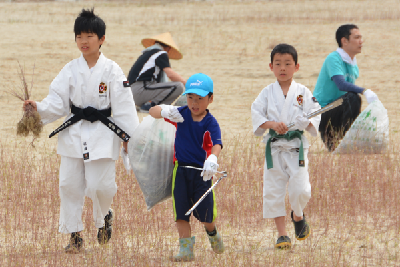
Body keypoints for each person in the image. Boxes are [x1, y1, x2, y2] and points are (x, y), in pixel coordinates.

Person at [23, 8, 139, 253]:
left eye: (89, 36)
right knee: (68, 184)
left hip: (103, 133)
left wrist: (128, 137)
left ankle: (104, 217)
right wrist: (38, 108)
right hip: (74, 132)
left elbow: (124, 107)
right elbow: (57, 101)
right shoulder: (70, 69)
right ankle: (74, 236)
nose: (83, 42)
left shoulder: (112, 70)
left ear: (101, 39)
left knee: (100, 186)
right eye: (79, 37)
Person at [251, 44, 321, 249]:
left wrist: (305, 123)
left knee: (301, 189)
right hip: (274, 148)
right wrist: (272, 124)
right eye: (278, 64)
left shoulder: (303, 92)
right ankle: (282, 235)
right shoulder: (266, 93)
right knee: (273, 190)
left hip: (296, 147)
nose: (283, 68)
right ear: (271, 66)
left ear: (296, 67)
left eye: (287, 64)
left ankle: (297, 215)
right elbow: (257, 115)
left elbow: (315, 113)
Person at [149, 73, 225, 262]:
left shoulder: (211, 122)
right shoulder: (180, 113)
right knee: (181, 213)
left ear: (210, 99)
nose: (194, 103)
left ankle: (212, 232)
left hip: (203, 173)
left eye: (200, 98)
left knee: (206, 215)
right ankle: (186, 250)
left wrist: (213, 158)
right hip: (181, 171)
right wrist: (164, 111)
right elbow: (152, 112)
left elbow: (217, 143)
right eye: (190, 97)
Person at [313, 24, 379, 151]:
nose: (361, 41)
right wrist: (364, 91)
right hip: (321, 113)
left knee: (340, 153)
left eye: (361, 37)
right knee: (354, 98)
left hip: (337, 110)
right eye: (357, 37)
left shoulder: (352, 63)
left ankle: (343, 141)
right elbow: (341, 84)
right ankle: (348, 140)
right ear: (344, 41)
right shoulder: (334, 58)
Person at [127, 32, 186, 112]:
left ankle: (151, 105)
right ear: (168, 48)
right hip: (141, 90)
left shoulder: (147, 54)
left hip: (131, 92)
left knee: (169, 87)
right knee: (178, 86)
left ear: (155, 43)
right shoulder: (161, 53)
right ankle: (150, 106)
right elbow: (170, 74)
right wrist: (188, 84)